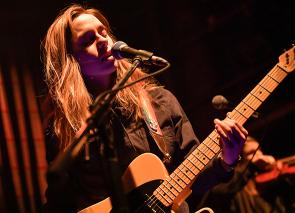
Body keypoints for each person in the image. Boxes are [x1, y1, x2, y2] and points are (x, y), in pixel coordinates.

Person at [41, 4, 248, 213]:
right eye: (88, 39)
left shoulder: (160, 102)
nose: (102, 40)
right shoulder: (64, 127)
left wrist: (227, 160)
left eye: (103, 33)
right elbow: (59, 203)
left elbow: (194, 179)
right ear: (71, 61)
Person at [195, 136, 295, 213]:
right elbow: (220, 193)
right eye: (252, 153)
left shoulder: (272, 189)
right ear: (238, 160)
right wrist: (252, 166)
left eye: (260, 151)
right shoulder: (232, 190)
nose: (260, 156)